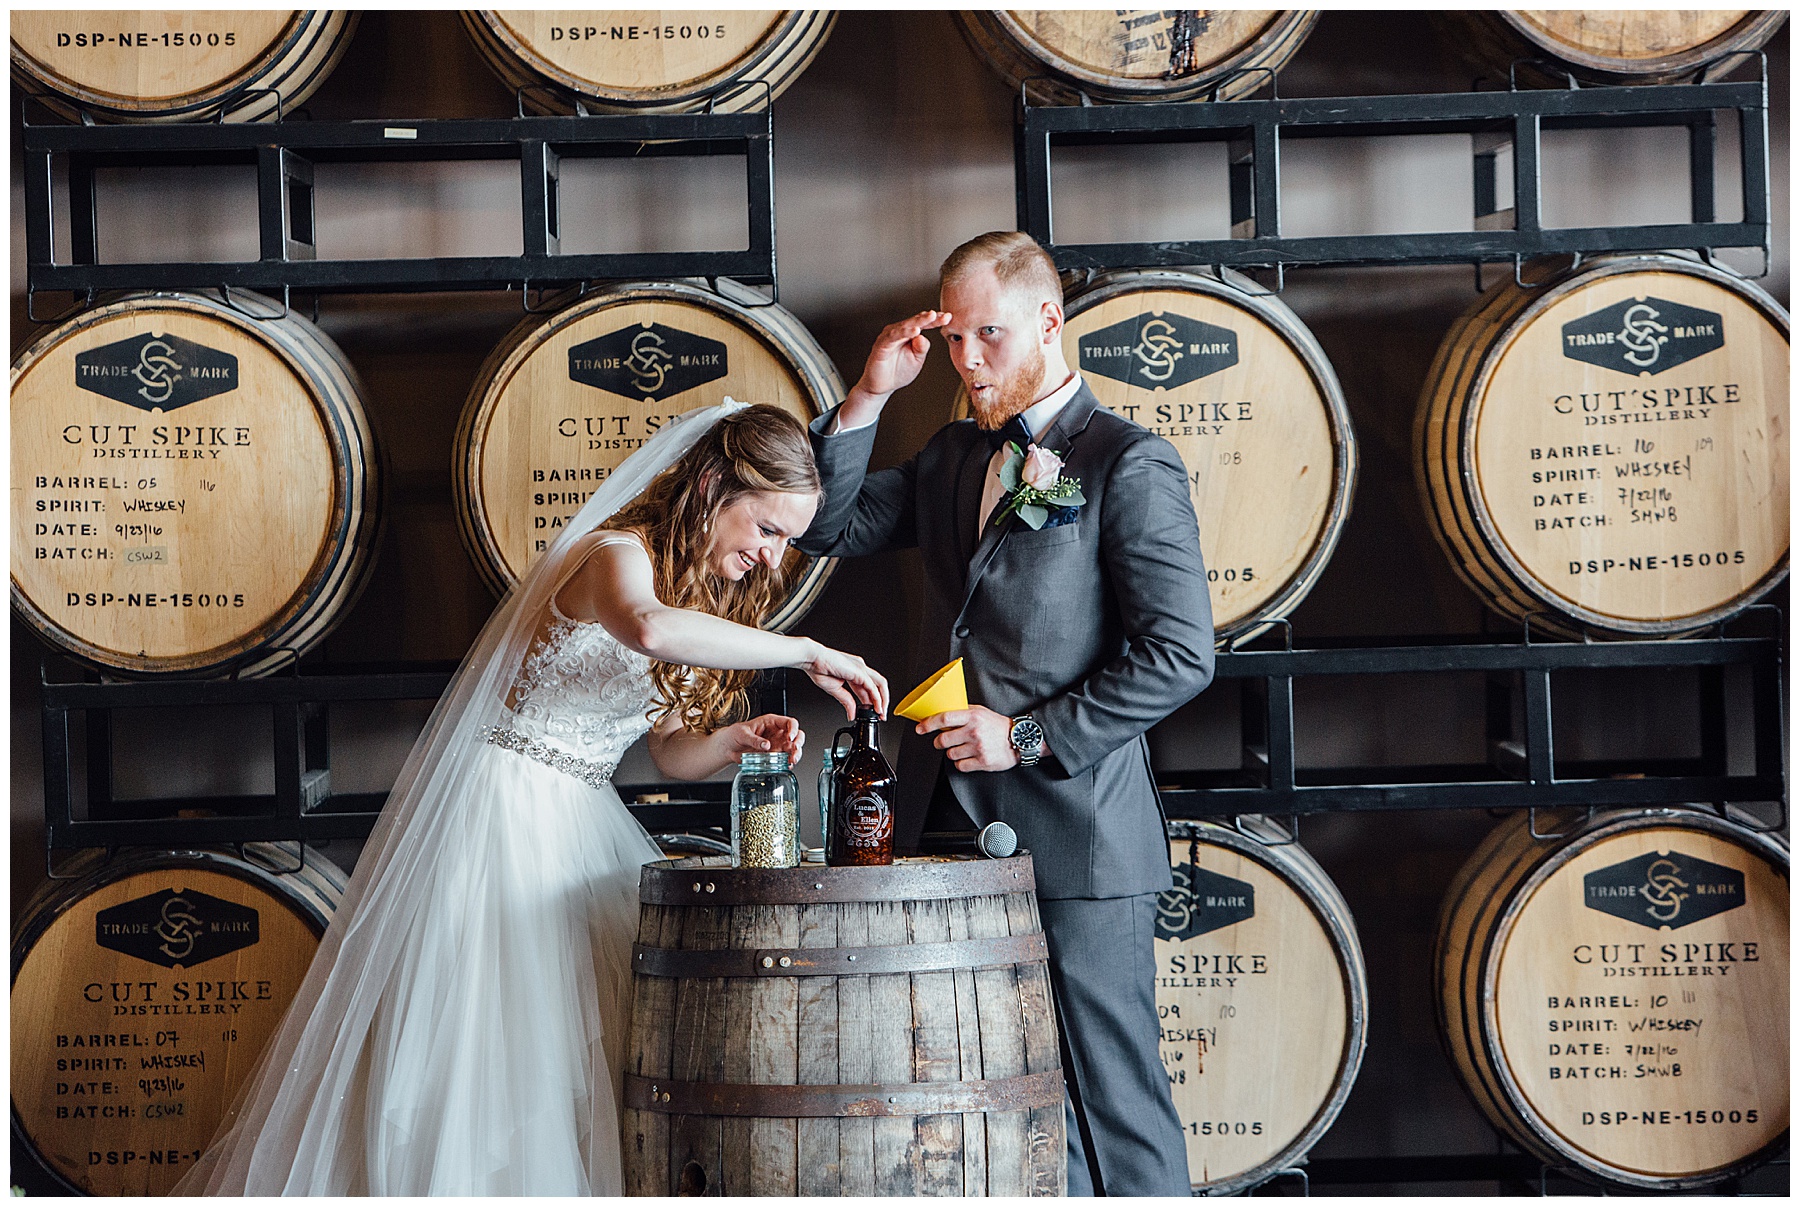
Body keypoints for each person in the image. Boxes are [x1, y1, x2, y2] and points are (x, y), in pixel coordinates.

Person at [174, 401, 888, 1195]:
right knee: (490, 1054)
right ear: (715, 486)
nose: (773, 555)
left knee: (576, 1060)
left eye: (786, 540)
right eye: (766, 528)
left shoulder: (698, 591)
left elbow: (664, 749)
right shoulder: (613, 553)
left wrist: (731, 742)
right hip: (503, 812)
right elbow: (647, 629)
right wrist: (808, 647)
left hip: (579, 816)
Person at [796, 231, 1213, 1196]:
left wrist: (1021, 736)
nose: (969, 358)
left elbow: (1181, 654)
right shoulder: (950, 455)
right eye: (954, 339)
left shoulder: (1128, 463)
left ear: (1049, 322)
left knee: (1114, 1099)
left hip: (1082, 840)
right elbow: (827, 522)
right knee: (1009, 1097)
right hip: (948, 825)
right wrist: (870, 394)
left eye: (989, 333)